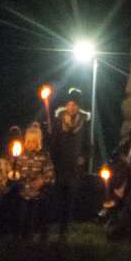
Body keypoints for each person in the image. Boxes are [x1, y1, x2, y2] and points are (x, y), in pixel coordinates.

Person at [48, 88, 92, 238]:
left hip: (75, 166)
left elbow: (87, 145)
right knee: (60, 196)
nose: (71, 107)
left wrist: (84, 157)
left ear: (78, 106)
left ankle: (67, 226)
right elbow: (53, 143)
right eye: (69, 104)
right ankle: (58, 225)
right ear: (66, 106)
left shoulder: (83, 123)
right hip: (60, 164)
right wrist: (53, 162)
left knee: (71, 196)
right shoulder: (58, 122)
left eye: (74, 105)